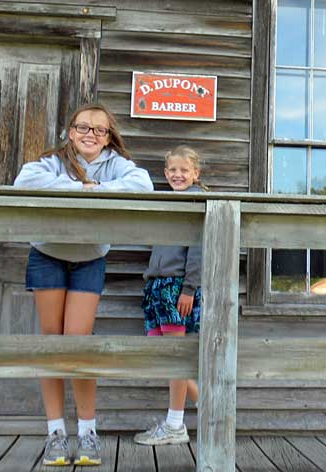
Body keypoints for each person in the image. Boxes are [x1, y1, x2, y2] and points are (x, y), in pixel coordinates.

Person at [14, 103, 153, 467]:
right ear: (70, 131)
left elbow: (142, 184)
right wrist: (79, 185)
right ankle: (56, 434)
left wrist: (99, 187)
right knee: (51, 344)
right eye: (83, 128)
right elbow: (24, 181)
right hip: (47, 253)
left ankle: (88, 432)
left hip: (89, 256)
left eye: (99, 130)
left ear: (109, 137)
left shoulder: (114, 163)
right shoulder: (53, 160)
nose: (90, 135)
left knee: (79, 343)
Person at [134, 145, 205, 446]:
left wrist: (189, 289)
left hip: (177, 288)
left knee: (175, 358)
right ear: (165, 174)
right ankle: (212, 407)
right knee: (163, 356)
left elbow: (198, 252)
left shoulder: (196, 203)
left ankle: (176, 424)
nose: (178, 175)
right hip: (156, 289)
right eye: (172, 170)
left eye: (184, 170)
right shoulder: (166, 203)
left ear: (195, 173)